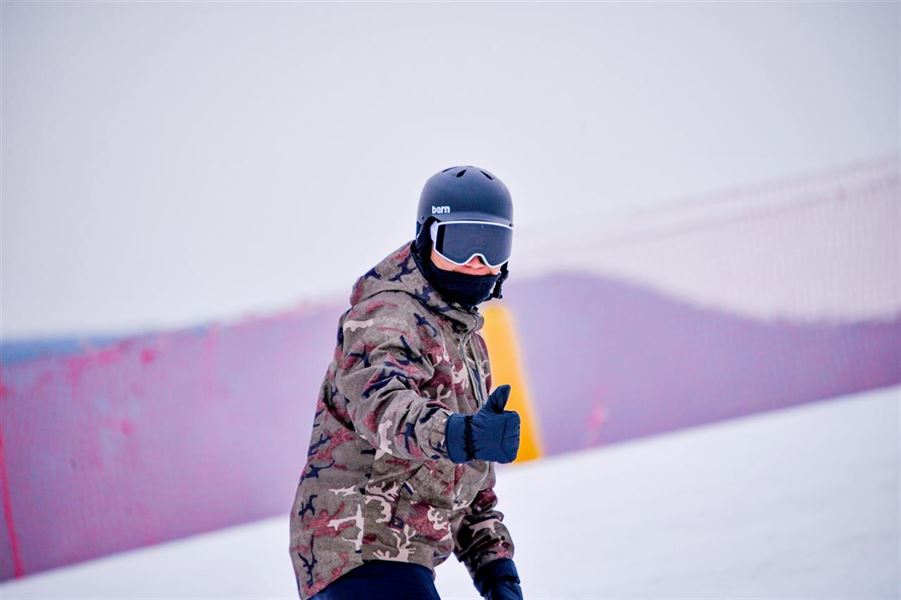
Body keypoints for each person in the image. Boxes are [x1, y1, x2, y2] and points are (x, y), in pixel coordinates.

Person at [289, 165, 524, 600]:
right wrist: (463, 434)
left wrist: (497, 571)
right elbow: (384, 405)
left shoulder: (465, 340)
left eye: (492, 247)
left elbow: (469, 480)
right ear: (425, 237)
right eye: (459, 244)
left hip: (402, 555)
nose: (477, 263)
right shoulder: (387, 316)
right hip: (354, 545)